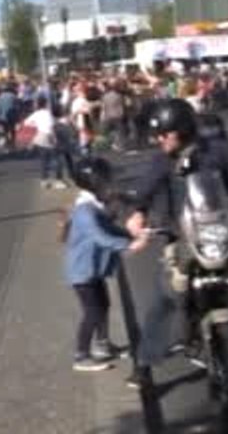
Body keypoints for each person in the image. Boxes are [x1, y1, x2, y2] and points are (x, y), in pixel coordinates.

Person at [125, 101, 228, 380]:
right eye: (157, 134)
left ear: (182, 131)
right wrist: (136, 213)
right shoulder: (162, 161)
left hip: (222, 230)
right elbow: (144, 189)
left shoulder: (218, 151)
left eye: (164, 133)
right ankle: (144, 363)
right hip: (181, 233)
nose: (158, 139)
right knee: (166, 295)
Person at [62, 157, 148, 372]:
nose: (110, 184)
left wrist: (129, 234)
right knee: (92, 311)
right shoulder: (85, 211)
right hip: (82, 273)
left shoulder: (94, 206)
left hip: (92, 270)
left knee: (104, 305)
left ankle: (103, 346)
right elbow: (101, 237)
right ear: (95, 183)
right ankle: (81, 356)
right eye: (106, 180)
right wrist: (128, 246)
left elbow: (110, 229)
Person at [23, 96, 65, 189]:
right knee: (57, 159)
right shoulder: (48, 113)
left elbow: (26, 122)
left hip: (40, 137)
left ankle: (44, 180)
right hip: (49, 136)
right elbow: (51, 127)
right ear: (46, 104)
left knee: (44, 160)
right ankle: (58, 181)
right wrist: (55, 138)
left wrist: (36, 125)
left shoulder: (36, 113)